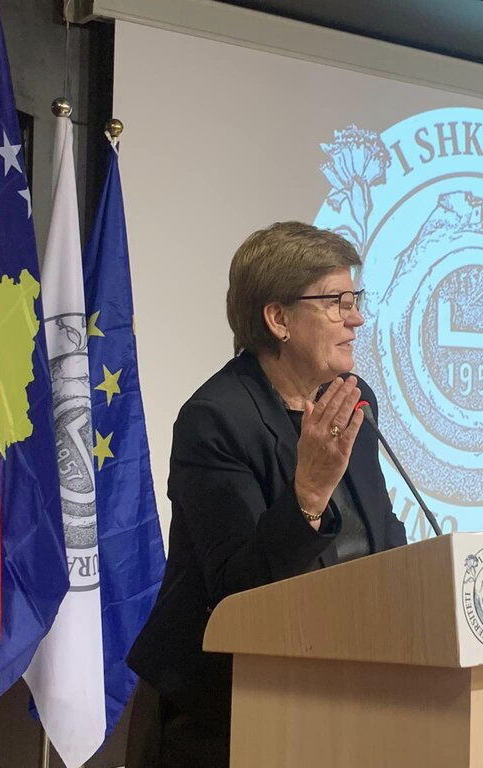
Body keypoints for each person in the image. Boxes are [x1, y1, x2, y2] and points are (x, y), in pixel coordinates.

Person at [125, 221, 408, 768]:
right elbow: (237, 595)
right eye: (336, 302)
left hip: (342, 698)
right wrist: (310, 494)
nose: (356, 318)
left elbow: (380, 534)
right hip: (220, 716)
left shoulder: (351, 400)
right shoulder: (215, 420)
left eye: (355, 300)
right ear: (278, 319)